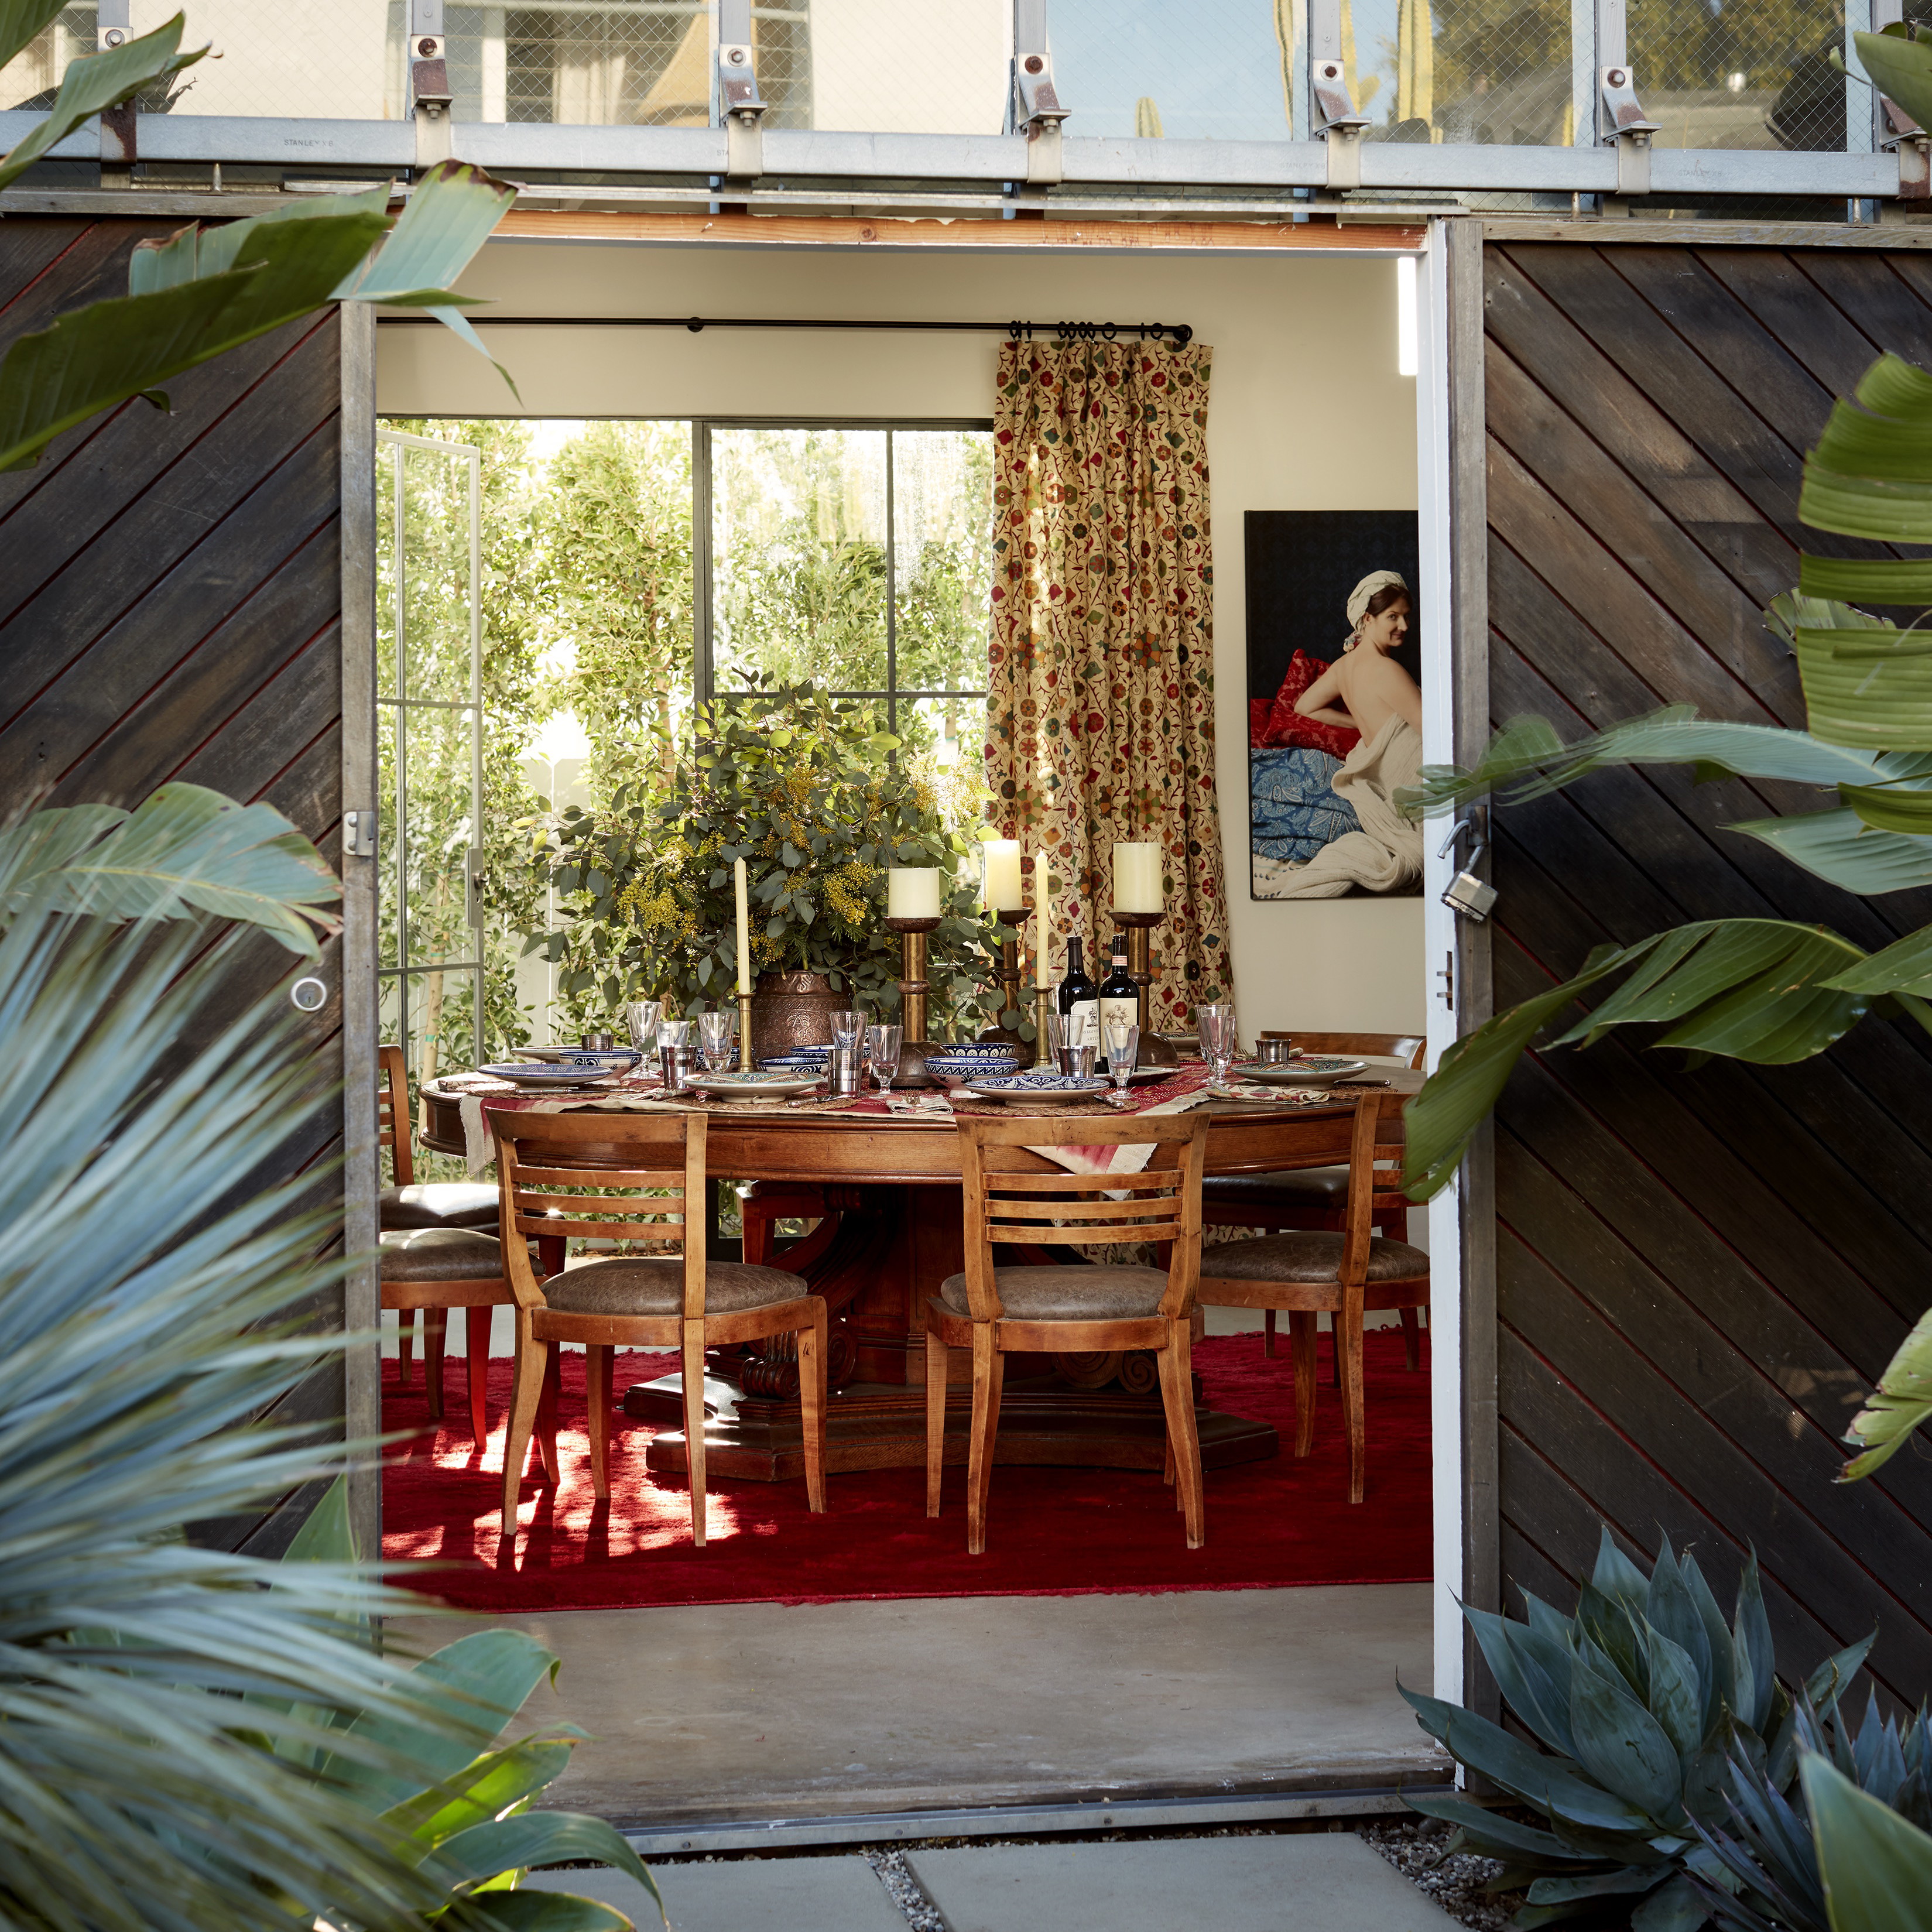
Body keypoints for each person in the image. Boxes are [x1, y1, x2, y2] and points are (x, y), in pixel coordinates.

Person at [1269, 570, 1424, 898]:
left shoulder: (1343, 666)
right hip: (1407, 768)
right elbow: (1433, 732)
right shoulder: (1388, 669)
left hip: (1382, 772)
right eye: (1393, 617)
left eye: (1406, 617)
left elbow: (1304, 707)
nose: (1404, 627)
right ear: (1367, 618)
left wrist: (1363, 723)